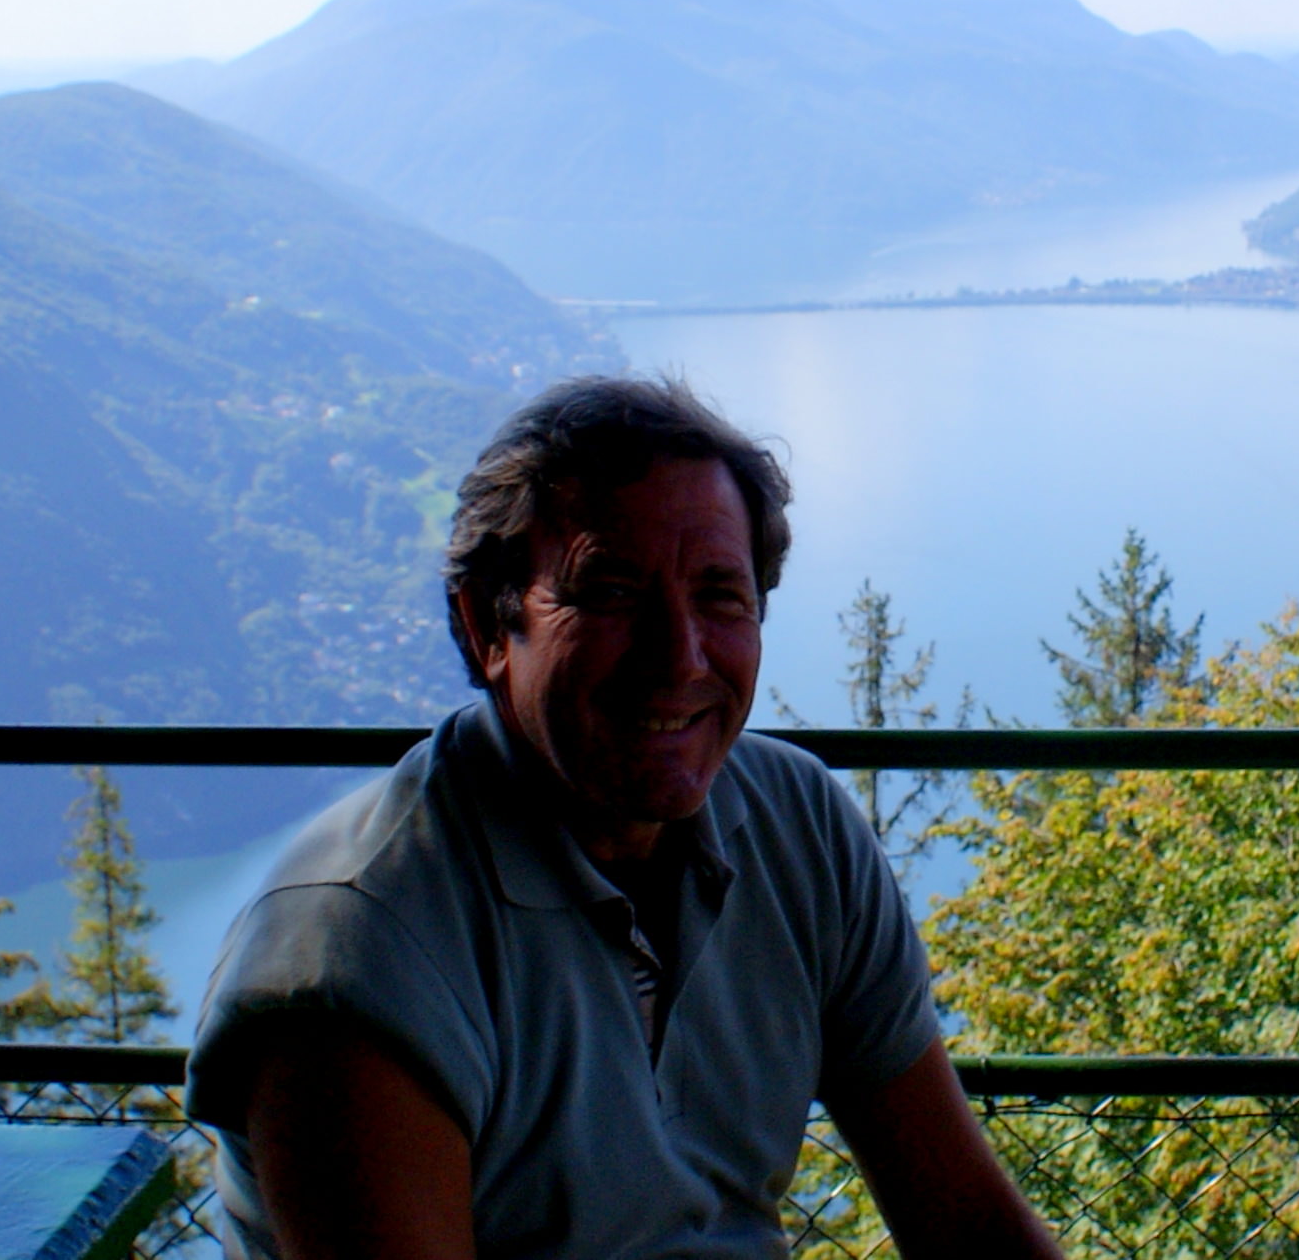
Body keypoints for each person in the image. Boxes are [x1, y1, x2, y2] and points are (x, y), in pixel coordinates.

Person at [187, 374, 1063, 1260]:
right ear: (488, 625)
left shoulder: (797, 827)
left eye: (721, 594)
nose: (676, 655)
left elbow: (969, 1226)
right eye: (610, 591)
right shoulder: (356, 952)